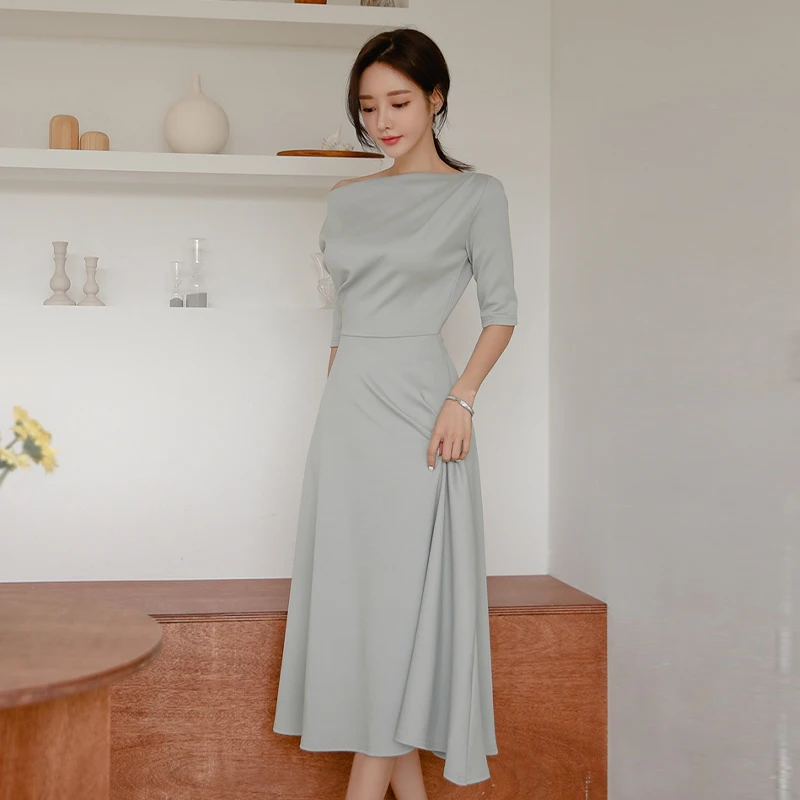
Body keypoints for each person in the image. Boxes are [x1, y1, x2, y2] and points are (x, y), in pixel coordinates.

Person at [273, 27, 518, 800]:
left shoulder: (477, 195)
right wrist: (332, 417)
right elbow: (342, 322)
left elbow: (502, 314)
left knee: (402, 608)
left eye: (400, 102)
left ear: (436, 99)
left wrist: (462, 398)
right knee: (365, 608)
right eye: (369, 106)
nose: (382, 120)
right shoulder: (346, 200)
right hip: (349, 416)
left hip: (423, 411)